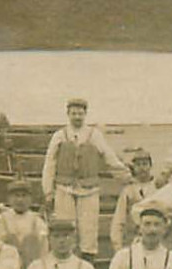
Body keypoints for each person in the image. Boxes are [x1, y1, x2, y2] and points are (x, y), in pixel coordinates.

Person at [41, 98, 129, 259]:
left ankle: (88, 262)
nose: (77, 117)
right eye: (74, 113)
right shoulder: (59, 136)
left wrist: (126, 176)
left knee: (89, 228)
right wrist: (48, 191)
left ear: (85, 114)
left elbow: (109, 157)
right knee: (65, 225)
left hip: (89, 189)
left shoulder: (94, 135)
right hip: (64, 189)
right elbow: (50, 163)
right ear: (68, 114)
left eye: (80, 113)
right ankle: (66, 259)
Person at [0, 178, 49, 269]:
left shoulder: (38, 222)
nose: (20, 200)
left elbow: (44, 251)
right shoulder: (1, 220)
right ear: (9, 199)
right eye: (16, 196)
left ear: (31, 199)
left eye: (24, 196)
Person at [110, 148, 158, 252]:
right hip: (134, 240)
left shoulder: (158, 188)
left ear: (150, 166)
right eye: (138, 165)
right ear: (134, 167)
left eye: (145, 164)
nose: (142, 168)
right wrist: (118, 247)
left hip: (156, 239)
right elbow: (119, 220)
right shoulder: (128, 191)